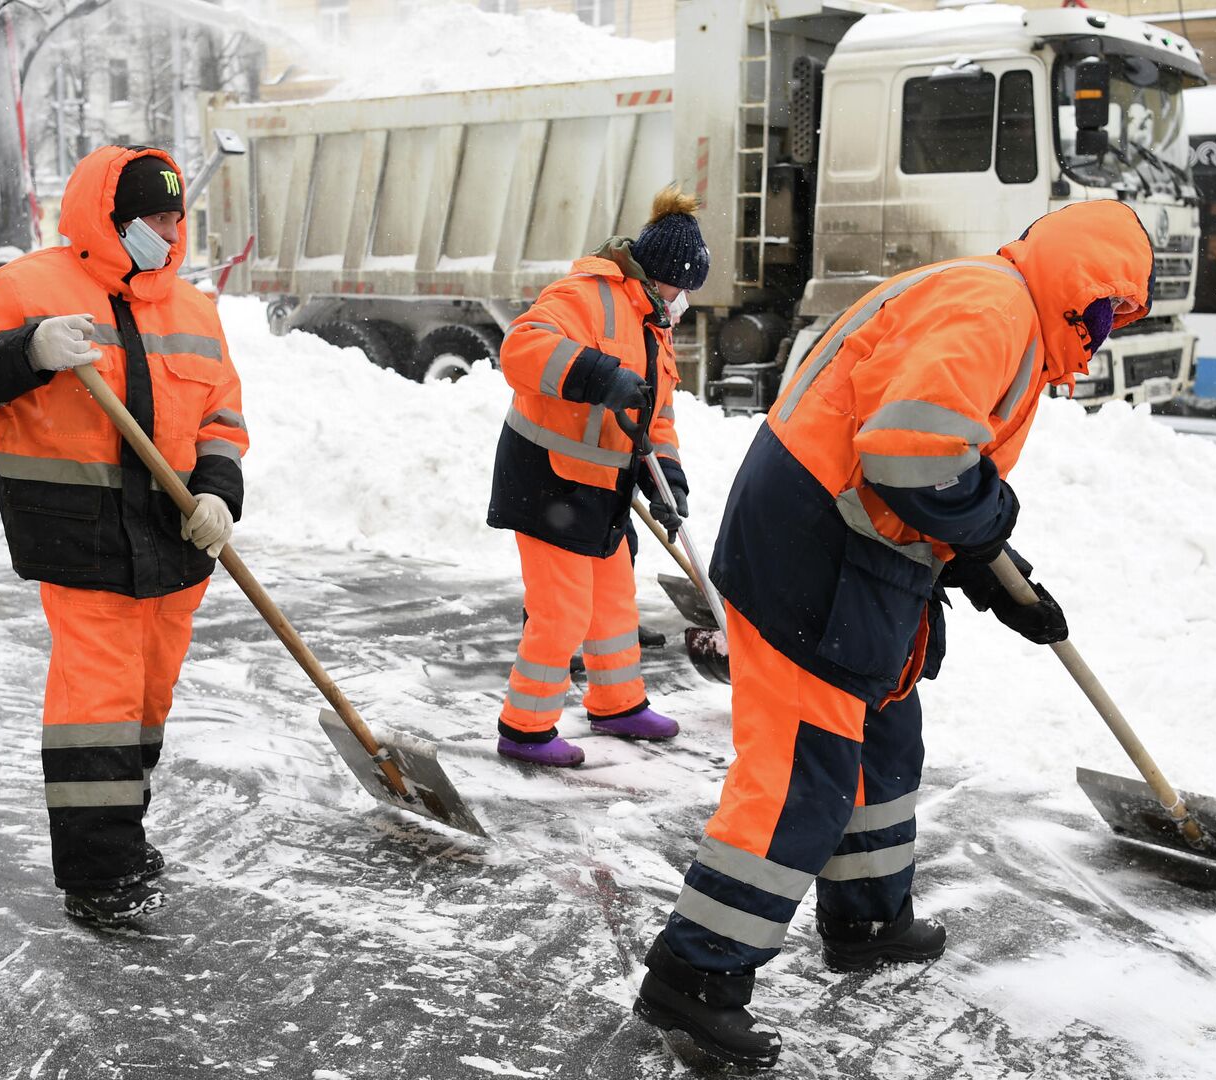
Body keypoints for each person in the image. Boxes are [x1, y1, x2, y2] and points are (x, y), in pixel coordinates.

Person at [630, 201, 1154, 1067]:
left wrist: (991, 571)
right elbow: (912, 454)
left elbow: (921, 453)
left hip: (849, 548)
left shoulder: (997, 304)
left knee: (882, 739)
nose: (1101, 335)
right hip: (815, 555)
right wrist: (987, 525)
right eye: (1105, 312)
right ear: (1079, 288)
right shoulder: (996, 308)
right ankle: (695, 975)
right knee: (803, 776)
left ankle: (868, 918)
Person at [0, 146, 247, 926]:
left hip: (176, 540)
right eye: (155, 218)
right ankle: (100, 873)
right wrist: (27, 352)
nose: (170, 233)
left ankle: (121, 832)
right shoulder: (28, 288)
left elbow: (222, 418)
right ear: (111, 216)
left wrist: (217, 492)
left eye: (177, 219)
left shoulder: (193, 309)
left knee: (145, 703)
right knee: (97, 705)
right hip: (81, 534)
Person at [486, 186, 708, 767]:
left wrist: (670, 483)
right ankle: (525, 726)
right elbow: (521, 349)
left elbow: (656, 418)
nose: (684, 300)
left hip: (602, 485)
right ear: (657, 275)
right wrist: (595, 374)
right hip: (547, 480)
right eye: (681, 287)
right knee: (562, 611)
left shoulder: (652, 326)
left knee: (613, 604)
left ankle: (617, 703)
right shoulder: (585, 296)